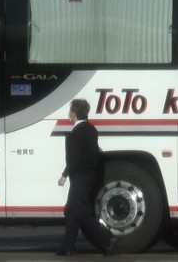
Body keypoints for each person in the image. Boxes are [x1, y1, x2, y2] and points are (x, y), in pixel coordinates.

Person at [57, 98, 118, 256]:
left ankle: (107, 238)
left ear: (74, 114)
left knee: (78, 210)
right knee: (72, 210)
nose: (69, 114)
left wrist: (64, 175)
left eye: (70, 111)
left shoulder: (76, 133)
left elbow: (74, 158)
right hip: (89, 175)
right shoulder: (91, 129)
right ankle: (67, 247)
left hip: (80, 176)